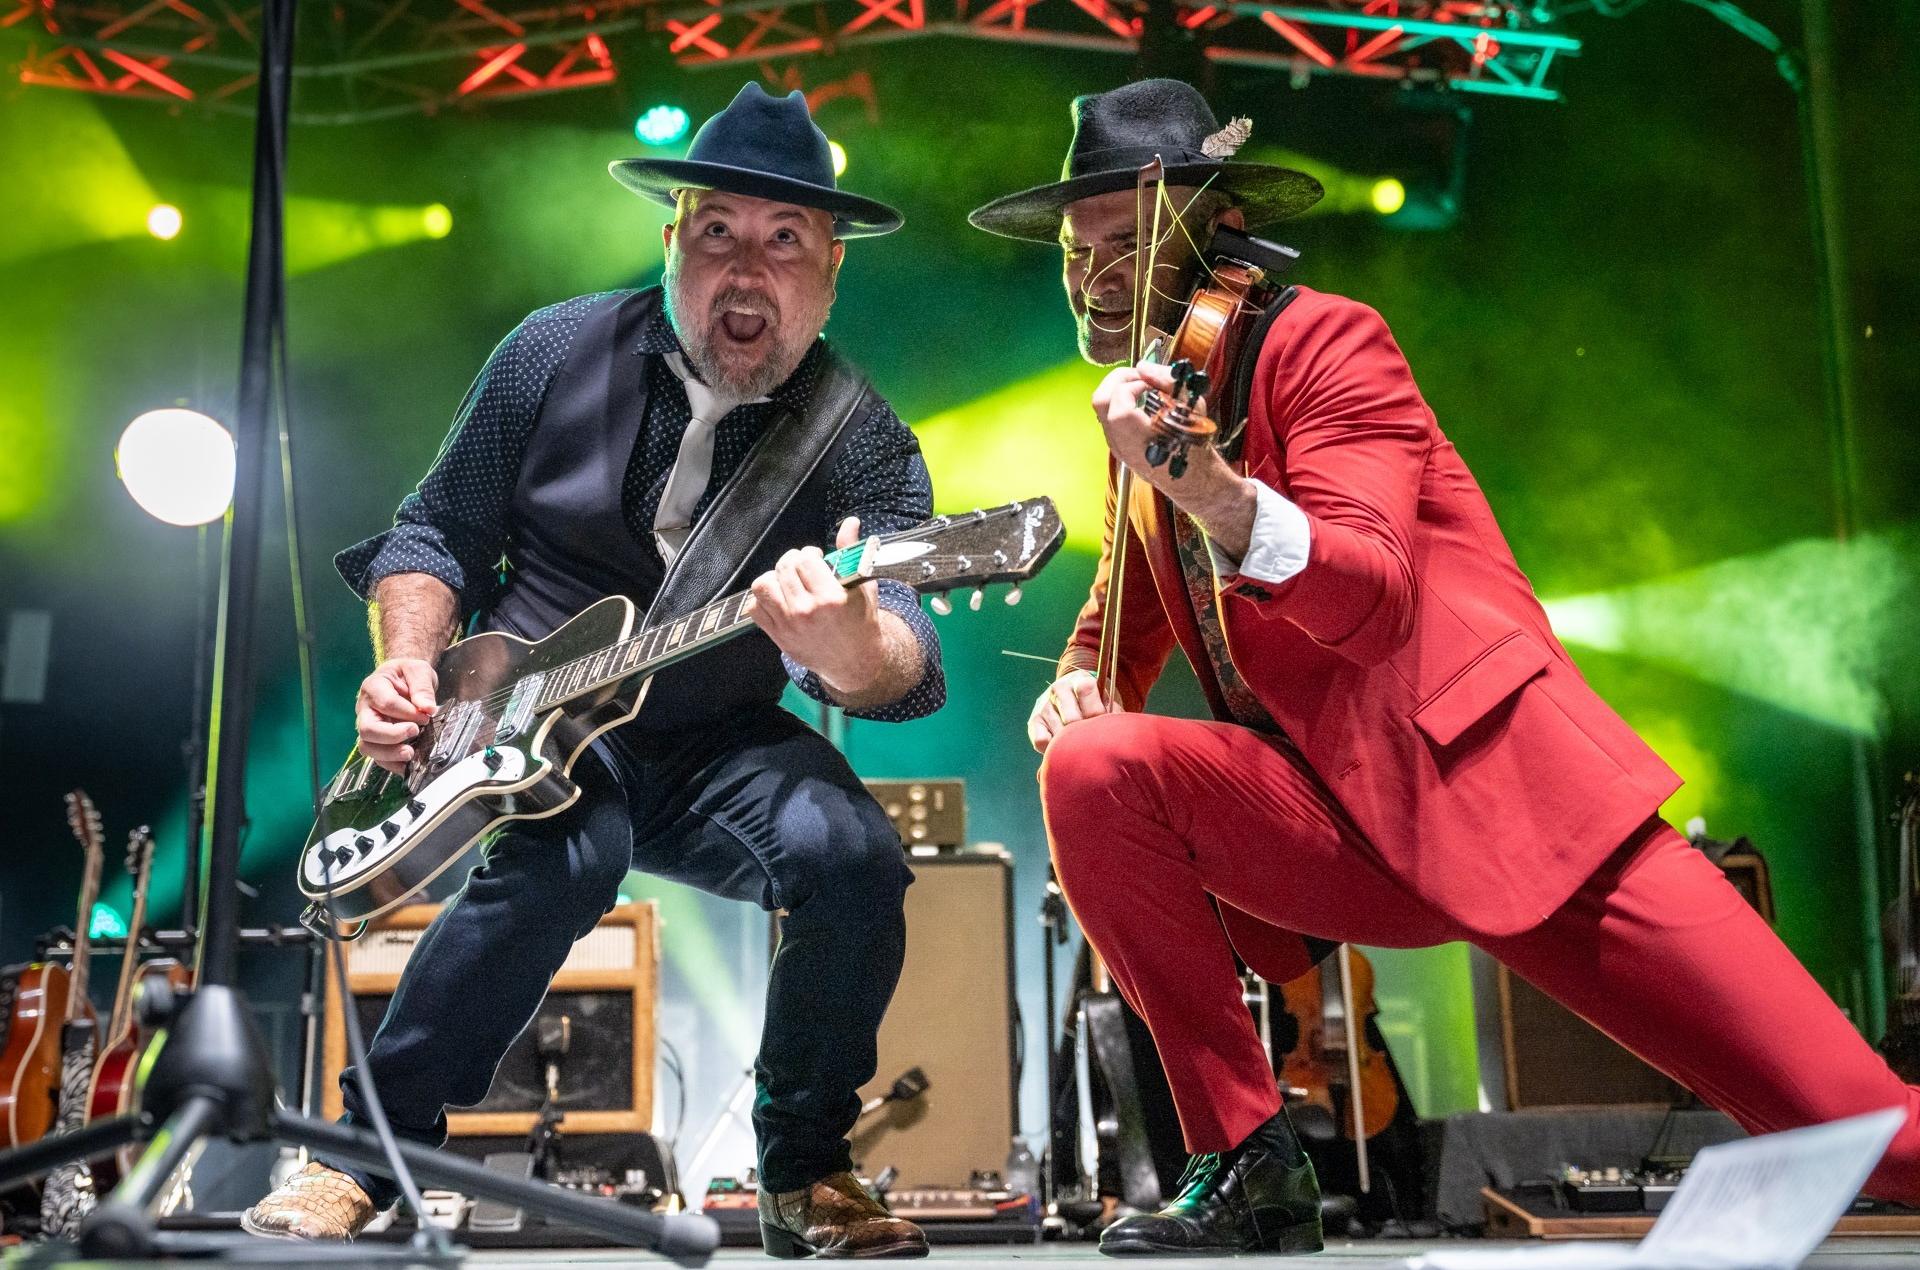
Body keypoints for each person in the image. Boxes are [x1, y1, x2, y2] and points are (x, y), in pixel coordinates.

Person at [970, 77, 1920, 1256]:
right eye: (1076, 251)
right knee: (1095, 765)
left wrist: (1211, 489)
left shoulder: (1328, 342)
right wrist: (1077, 674)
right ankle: (1252, 1163)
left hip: (1499, 795)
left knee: (1873, 1132)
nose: (1091, 279)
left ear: (1216, 233)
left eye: (1124, 244)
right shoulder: (1156, 413)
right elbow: (1124, 596)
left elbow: (1373, 595)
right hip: (1338, 820)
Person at [245, 83, 941, 1258]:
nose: (746, 269)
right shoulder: (551, 350)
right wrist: (409, 665)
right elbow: (434, 534)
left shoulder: (862, 436)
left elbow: (907, 655)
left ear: (831, 273)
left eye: (785, 240)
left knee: (856, 859)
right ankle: (365, 1152)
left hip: (720, 732)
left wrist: (851, 647)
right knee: (565, 856)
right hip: (529, 718)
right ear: (670, 243)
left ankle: (806, 1168)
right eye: (717, 231)